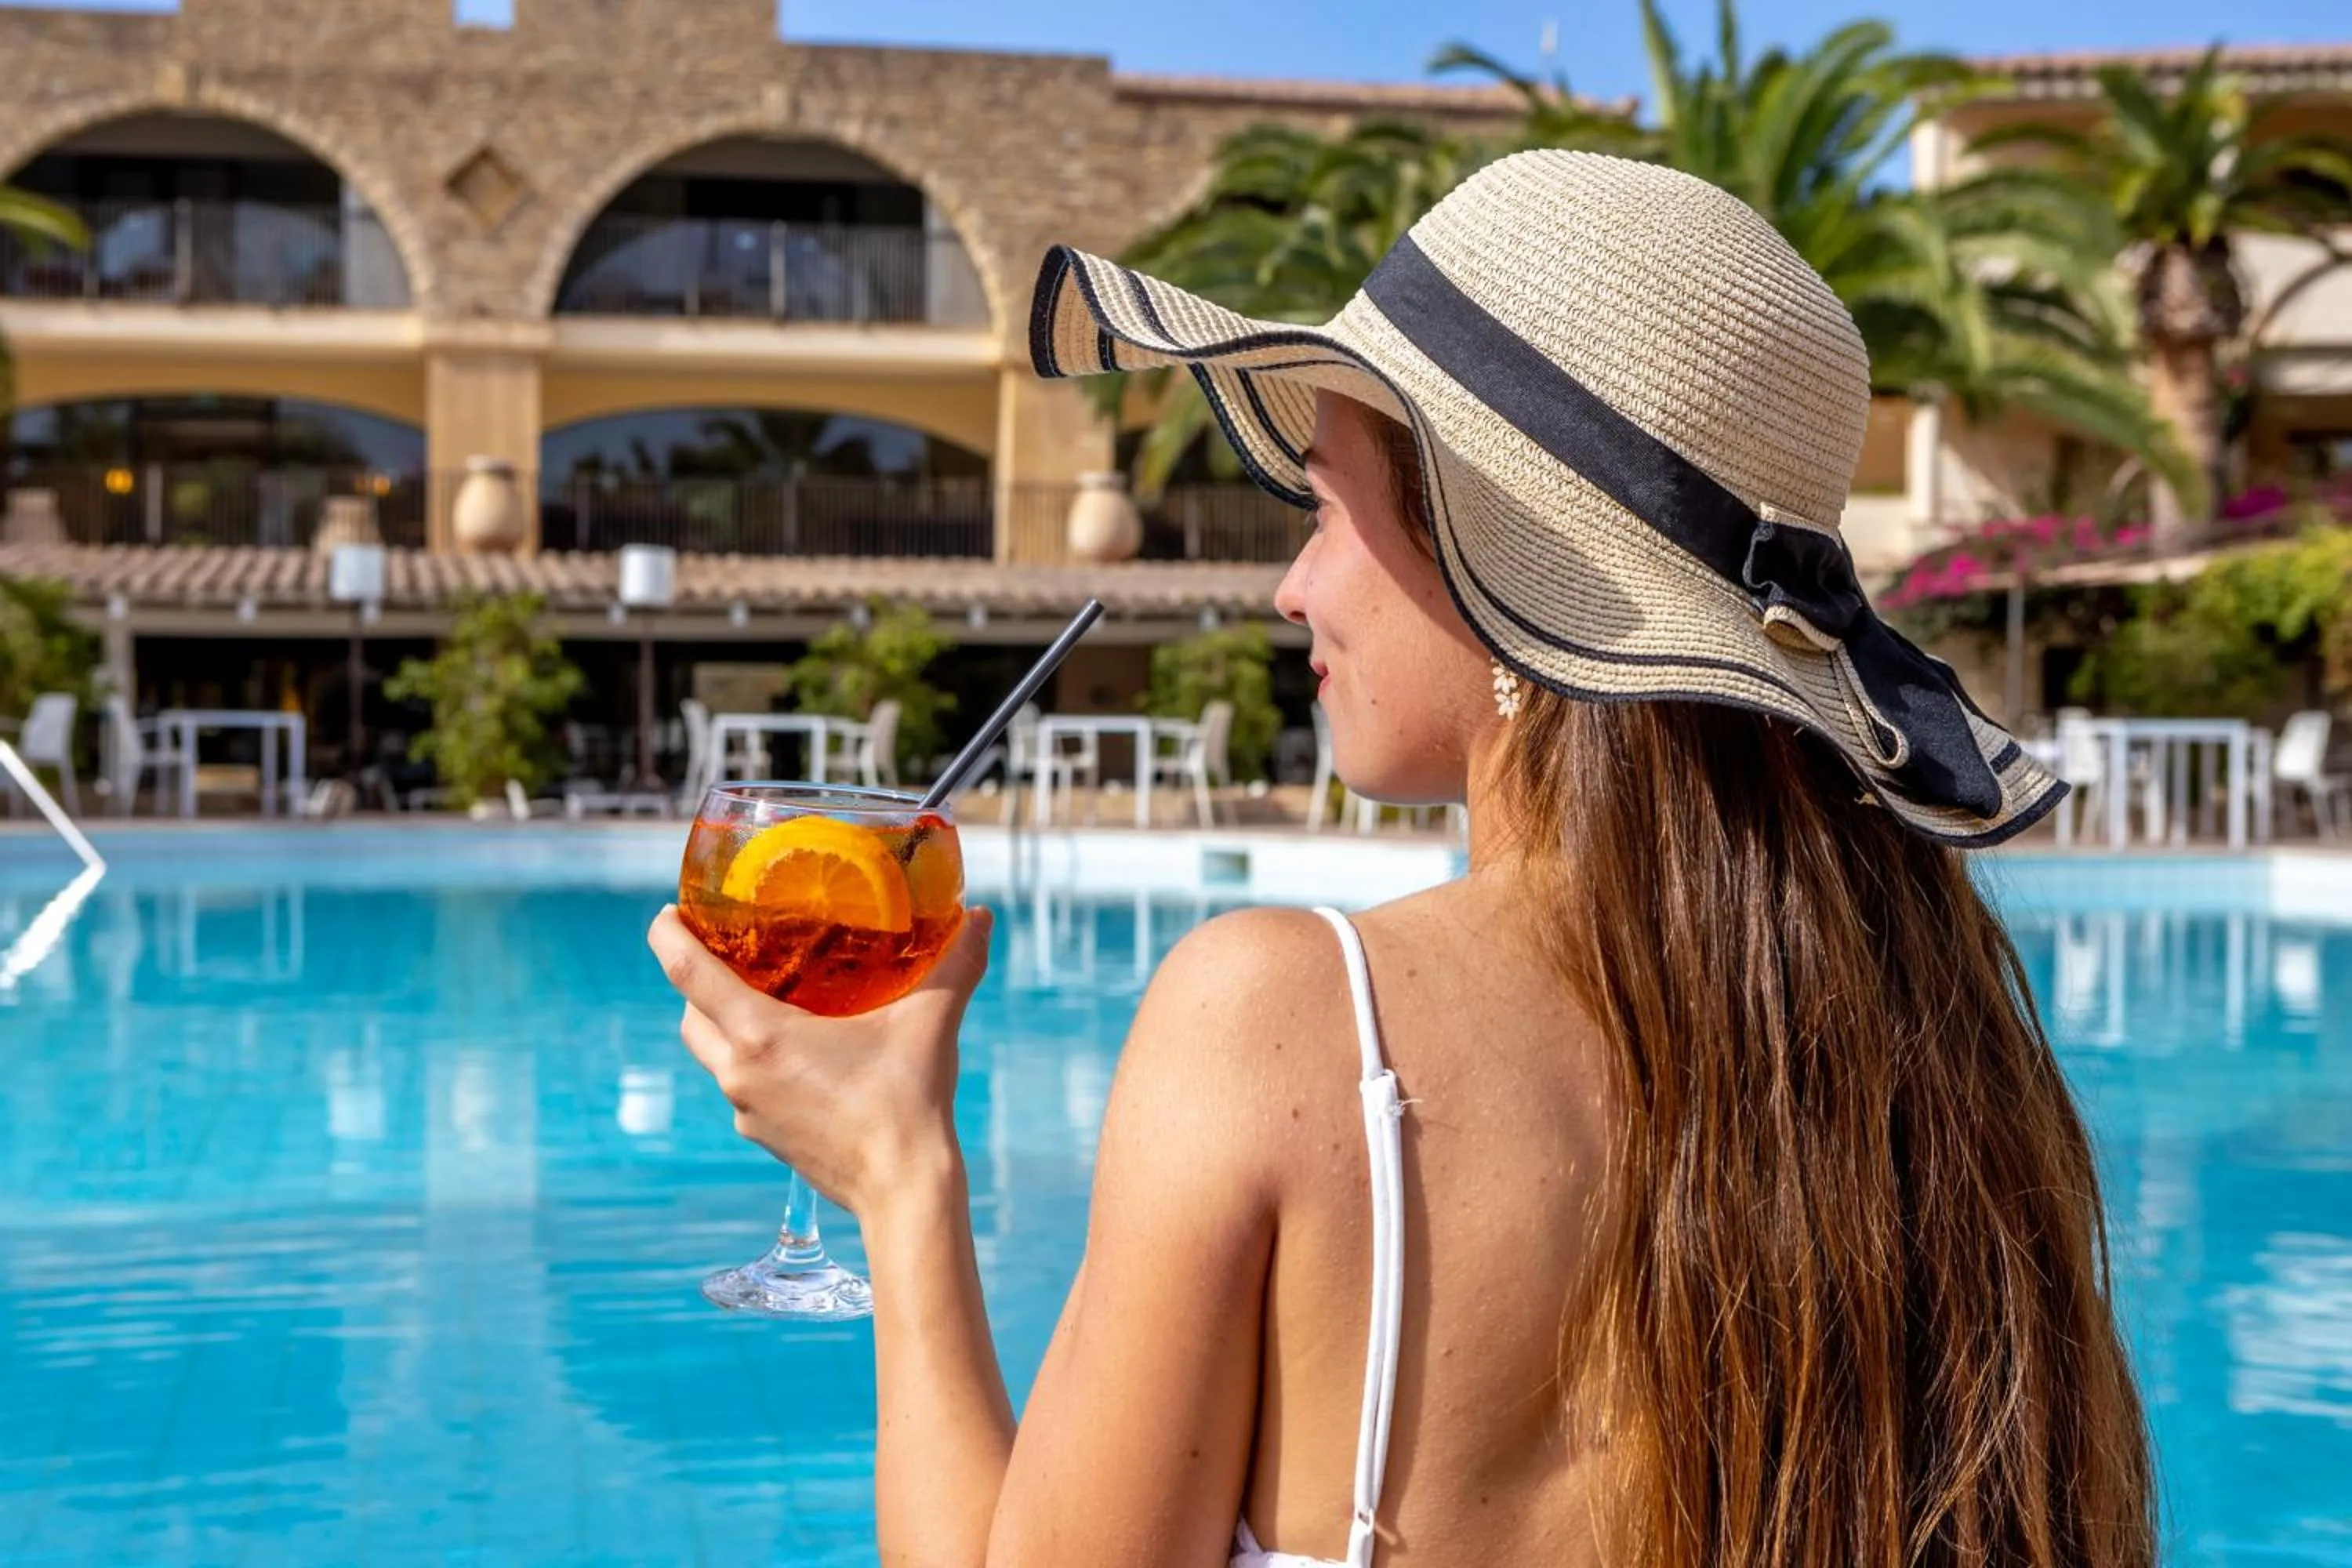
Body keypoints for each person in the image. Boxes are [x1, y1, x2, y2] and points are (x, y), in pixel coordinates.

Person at [648, 151, 2154, 1566]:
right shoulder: (1945, 1072)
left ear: (1489, 556)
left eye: (1323, 507)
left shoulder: (1288, 1022)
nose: (1294, 590)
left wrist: (899, 1180)